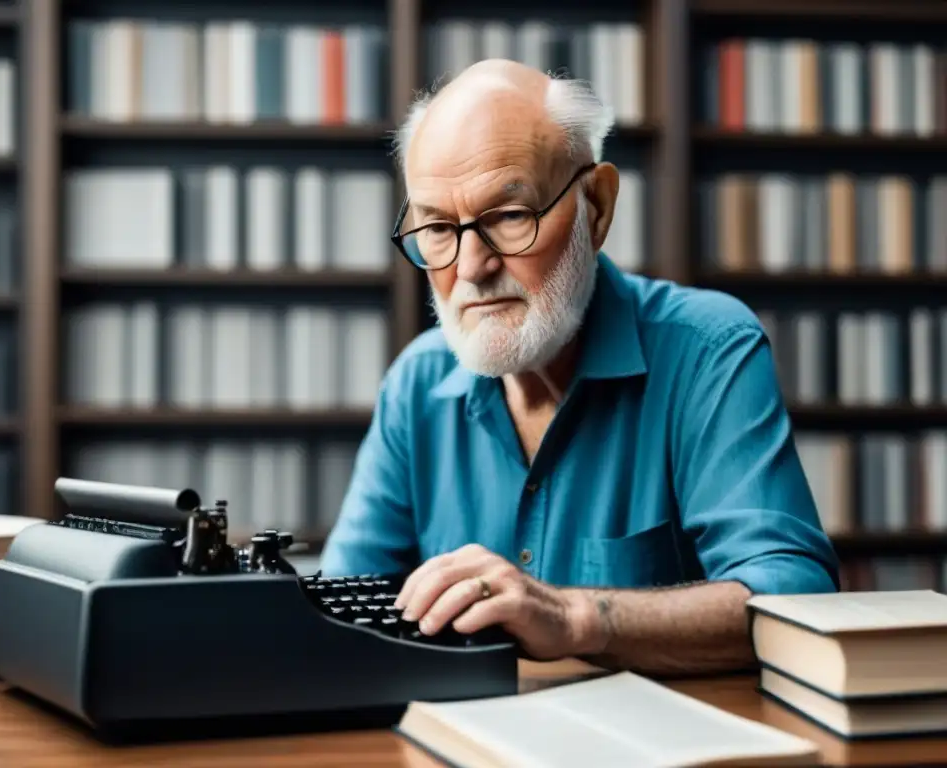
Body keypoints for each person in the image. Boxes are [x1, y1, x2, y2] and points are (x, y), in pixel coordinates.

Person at [319, 59, 839, 675]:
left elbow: (794, 598)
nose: (471, 266)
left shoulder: (707, 349)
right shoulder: (416, 384)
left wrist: (572, 618)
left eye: (510, 217)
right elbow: (340, 603)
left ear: (596, 207)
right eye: (436, 226)